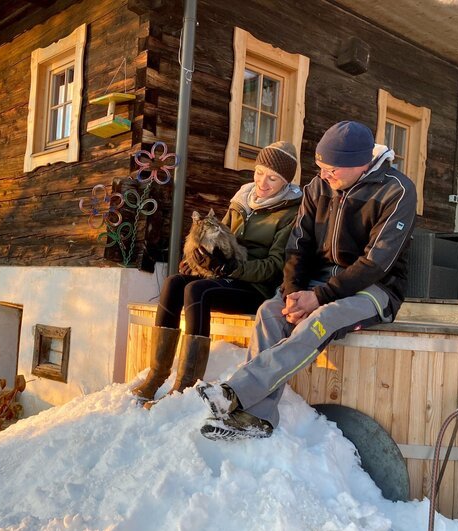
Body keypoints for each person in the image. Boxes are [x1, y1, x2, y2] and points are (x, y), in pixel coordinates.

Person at [196, 120, 417, 440]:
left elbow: (375, 263)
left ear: (361, 164)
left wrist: (319, 298)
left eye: (332, 170)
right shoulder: (318, 187)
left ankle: (236, 391)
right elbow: (297, 245)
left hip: (374, 288)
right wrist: (293, 292)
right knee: (269, 312)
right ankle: (257, 417)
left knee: (322, 318)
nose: (324, 176)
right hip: (317, 282)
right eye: (321, 167)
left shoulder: (397, 191)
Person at [132, 141, 303, 406]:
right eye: (259, 172)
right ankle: (157, 375)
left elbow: (274, 266)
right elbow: (218, 238)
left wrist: (234, 268)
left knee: (196, 290)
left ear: (285, 182)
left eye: (273, 178)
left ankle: (185, 385)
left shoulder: (290, 213)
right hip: (227, 276)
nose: (263, 183)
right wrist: (196, 261)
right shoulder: (241, 201)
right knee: (175, 282)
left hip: (255, 288)